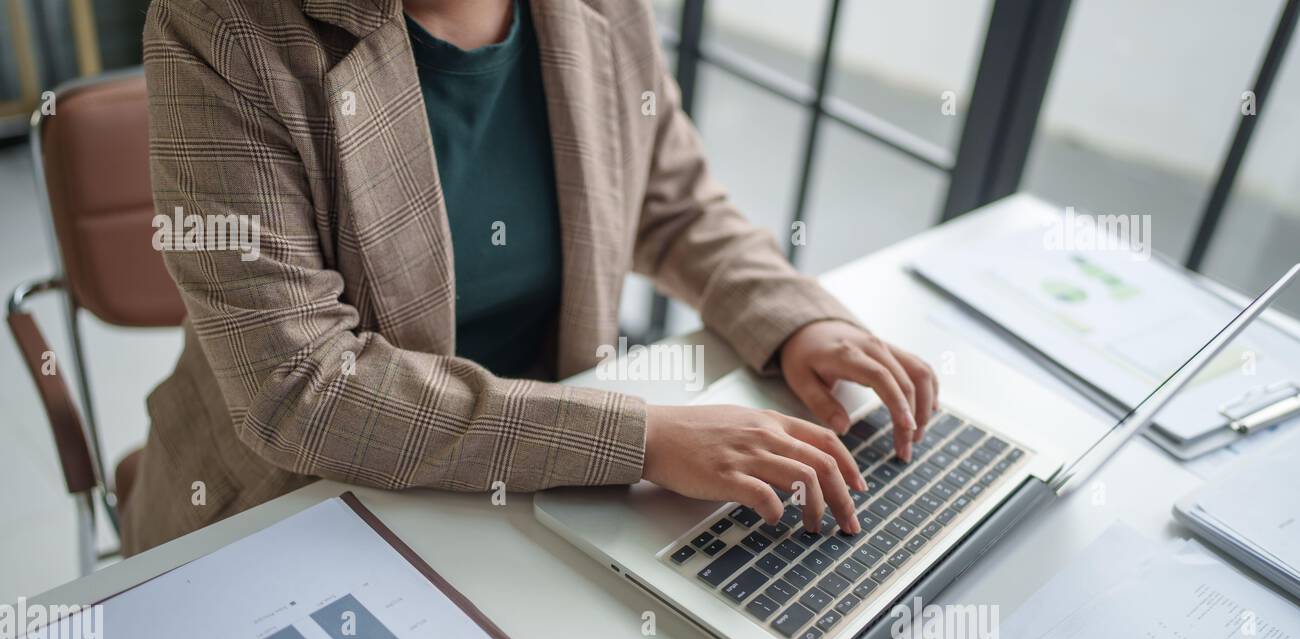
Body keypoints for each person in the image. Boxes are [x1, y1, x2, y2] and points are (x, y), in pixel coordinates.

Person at [122, 0, 938, 554]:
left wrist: (797, 319)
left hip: (530, 495)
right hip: (301, 509)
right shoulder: (220, 27)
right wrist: (643, 439)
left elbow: (673, 203)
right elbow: (304, 390)